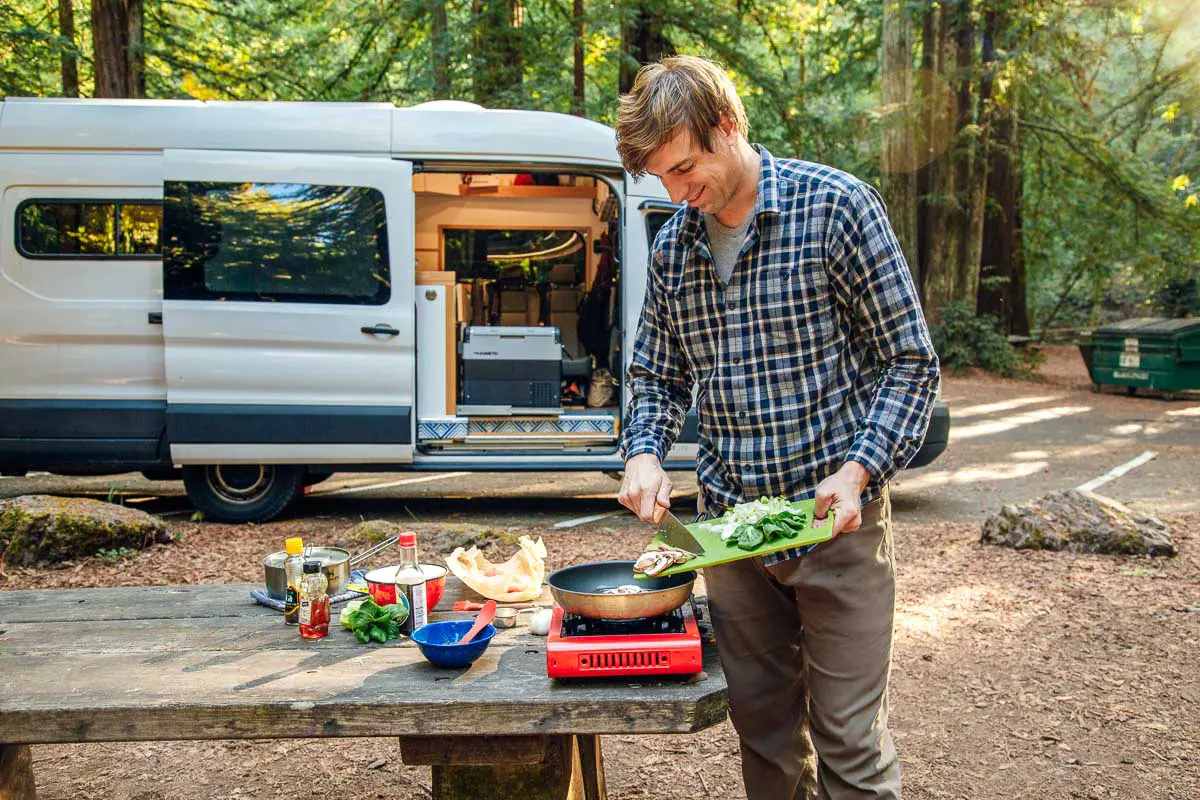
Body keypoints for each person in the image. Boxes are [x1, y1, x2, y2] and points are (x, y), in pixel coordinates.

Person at [614, 55, 940, 800]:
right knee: (763, 738)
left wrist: (858, 470)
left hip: (835, 524)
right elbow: (654, 376)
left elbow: (911, 362)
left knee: (850, 744)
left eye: (686, 167)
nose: (677, 193)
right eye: (661, 179)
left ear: (729, 127)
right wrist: (643, 453)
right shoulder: (673, 251)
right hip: (729, 535)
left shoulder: (837, 208)